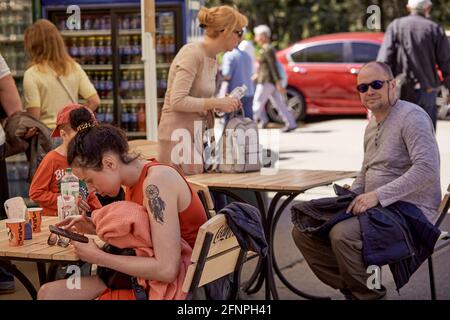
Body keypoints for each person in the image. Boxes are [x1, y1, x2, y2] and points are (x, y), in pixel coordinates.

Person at [291, 61, 441, 300]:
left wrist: (377, 195)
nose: (369, 91)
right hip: (375, 209)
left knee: (342, 234)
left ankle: (366, 294)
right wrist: (356, 191)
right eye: (363, 87)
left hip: (410, 210)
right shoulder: (371, 125)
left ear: (392, 85)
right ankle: (358, 289)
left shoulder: (412, 117)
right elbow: (367, 169)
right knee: (305, 228)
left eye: (376, 84)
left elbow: (427, 168)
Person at [37, 121, 207, 299]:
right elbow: (149, 235)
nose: (90, 190)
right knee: (47, 293)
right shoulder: (134, 181)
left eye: (90, 180)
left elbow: (167, 270)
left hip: (176, 286)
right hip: (142, 280)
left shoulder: (156, 183)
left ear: (109, 163)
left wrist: (98, 257)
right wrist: (93, 227)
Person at [157, 6, 247, 175]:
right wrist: (216, 102)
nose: (241, 38)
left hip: (197, 137)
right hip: (178, 138)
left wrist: (221, 106)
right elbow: (177, 100)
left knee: (212, 196)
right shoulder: (192, 53)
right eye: (239, 32)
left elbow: (200, 100)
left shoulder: (212, 57)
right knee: (199, 197)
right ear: (225, 31)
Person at [377, 0, 450, 130]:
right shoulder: (434, 28)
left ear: (408, 8)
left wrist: (382, 88)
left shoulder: (396, 26)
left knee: (402, 133)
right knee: (426, 135)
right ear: (428, 8)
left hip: (401, 89)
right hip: (427, 90)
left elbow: (384, 61)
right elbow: (446, 62)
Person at [23, 19, 100, 132]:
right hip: (71, 133)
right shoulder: (74, 67)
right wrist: (74, 119)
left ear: (33, 46)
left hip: (47, 136)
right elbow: (95, 101)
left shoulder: (32, 74)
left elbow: (34, 118)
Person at [29, 104, 102, 216]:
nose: (84, 140)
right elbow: (36, 193)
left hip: (80, 220)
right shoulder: (51, 159)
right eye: (79, 136)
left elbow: (89, 193)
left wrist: (101, 212)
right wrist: (69, 201)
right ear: (63, 134)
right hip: (55, 220)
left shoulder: (84, 158)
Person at [252, 25, 296, 132]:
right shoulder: (267, 48)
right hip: (269, 81)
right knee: (279, 103)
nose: (256, 38)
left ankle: (248, 125)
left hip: (266, 81)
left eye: (257, 35)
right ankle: (291, 123)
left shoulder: (267, 49)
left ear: (263, 36)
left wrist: (278, 82)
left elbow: (272, 67)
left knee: (257, 102)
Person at [220, 32, 255, 119]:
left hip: (234, 94)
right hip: (248, 91)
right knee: (248, 122)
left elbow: (227, 75)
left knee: (230, 124)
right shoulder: (247, 56)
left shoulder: (228, 56)